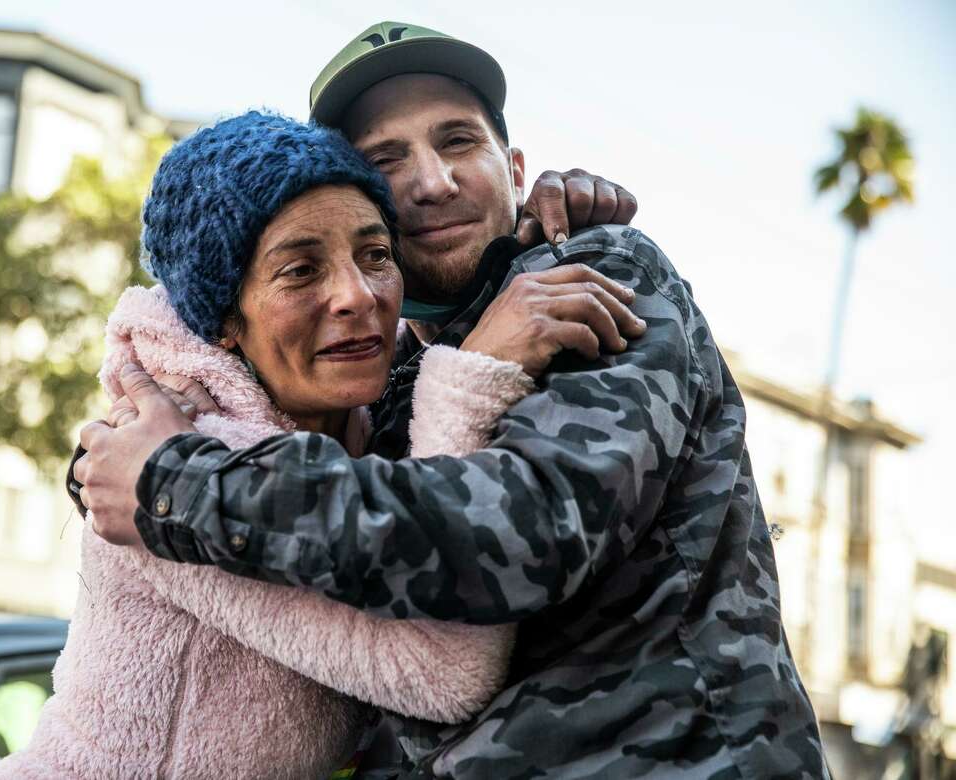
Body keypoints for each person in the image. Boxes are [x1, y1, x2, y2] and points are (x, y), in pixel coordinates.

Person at [75, 22, 831, 779]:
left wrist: (173, 483)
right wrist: (110, 444)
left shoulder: (595, 277)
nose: (433, 182)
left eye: (460, 141)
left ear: (516, 169)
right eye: (387, 159)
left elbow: (524, 532)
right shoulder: (389, 370)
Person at [4, 112, 639, 779]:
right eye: (301, 271)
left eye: (375, 255)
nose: (356, 296)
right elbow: (440, 672)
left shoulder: (356, 412)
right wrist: (472, 374)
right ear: (224, 318)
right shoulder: (173, 463)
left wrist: (532, 221)